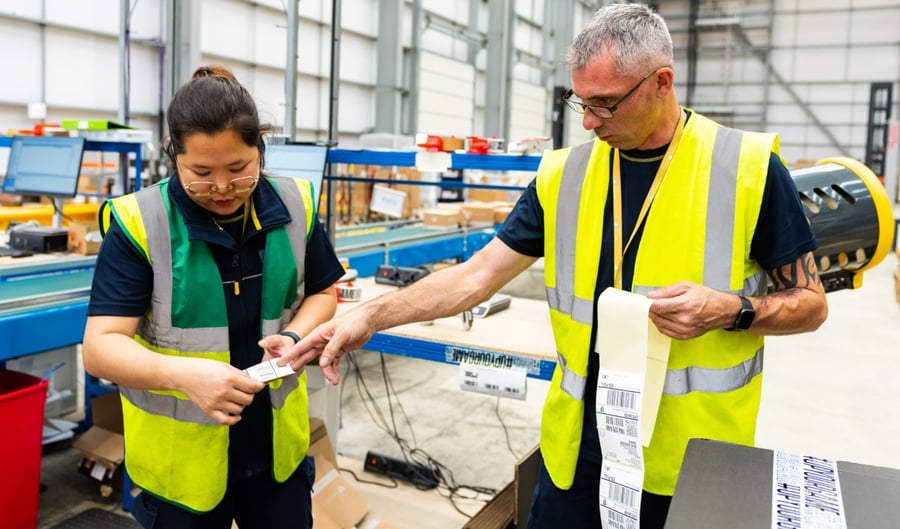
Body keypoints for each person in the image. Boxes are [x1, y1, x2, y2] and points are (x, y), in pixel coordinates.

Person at [283, 4, 828, 528]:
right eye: (581, 102)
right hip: (581, 455)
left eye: (606, 104)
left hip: (690, 460)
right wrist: (369, 317)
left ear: (662, 83)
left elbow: (810, 304)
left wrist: (729, 310)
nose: (589, 121)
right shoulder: (565, 176)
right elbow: (475, 276)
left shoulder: (748, 170)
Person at [82, 64, 345, 529]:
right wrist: (184, 376)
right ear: (173, 156)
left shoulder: (294, 202)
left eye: (239, 169)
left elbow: (323, 292)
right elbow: (101, 348)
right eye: (200, 172)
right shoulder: (141, 223)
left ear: (259, 150)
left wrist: (294, 334)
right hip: (182, 473)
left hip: (276, 459)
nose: (222, 188)